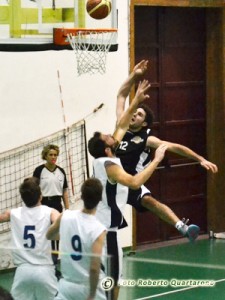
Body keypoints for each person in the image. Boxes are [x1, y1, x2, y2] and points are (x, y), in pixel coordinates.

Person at [116, 59, 218, 241]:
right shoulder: (121, 127)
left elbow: (175, 147)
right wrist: (134, 75)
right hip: (113, 181)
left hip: (132, 181)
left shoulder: (147, 139)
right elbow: (121, 96)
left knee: (150, 201)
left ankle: (182, 227)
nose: (134, 115)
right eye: (134, 111)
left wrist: (199, 158)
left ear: (145, 123)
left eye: (139, 114)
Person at [88, 79, 168, 300]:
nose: (112, 134)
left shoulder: (103, 158)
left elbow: (121, 104)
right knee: (112, 282)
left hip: (98, 225)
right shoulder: (110, 165)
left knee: (104, 280)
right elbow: (134, 183)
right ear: (108, 147)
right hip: (107, 230)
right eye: (108, 136)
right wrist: (156, 160)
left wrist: (134, 81)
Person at [46, 178, 107, 300]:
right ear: (100, 199)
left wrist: (66, 235)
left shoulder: (66, 216)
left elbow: (49, 235)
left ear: (82, 196)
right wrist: (92, 294)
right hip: (87, 287)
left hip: (66, 287)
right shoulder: (98, 229)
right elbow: (94, 268)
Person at [0, 177, 60, 300]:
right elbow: (61, 221)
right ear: (40, 196)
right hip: (45, 271)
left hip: (23, 272)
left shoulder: (13, 213)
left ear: (22, 198)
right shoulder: (49, 212)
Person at [33, 144, 69, 266]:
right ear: (45, 156)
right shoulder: (39, 171)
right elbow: (34, 189)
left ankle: (53, 265)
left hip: (57, 205)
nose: (53, 157)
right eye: (51, 154)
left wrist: (67, 209)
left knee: (55, 237)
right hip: (43, 205)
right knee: (43, 236)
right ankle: (42, 263)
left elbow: (64, 191)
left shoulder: (61, 171)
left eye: (55, 155)